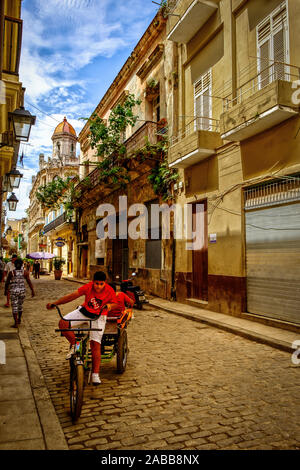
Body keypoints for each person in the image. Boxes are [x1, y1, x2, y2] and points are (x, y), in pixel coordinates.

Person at [46, 271, 118, 385]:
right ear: (93, 282)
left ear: (105, 283)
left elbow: (115, 303)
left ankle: (95, 374)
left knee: (95, 344)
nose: (98, 286)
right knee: (63, 323)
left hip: (99, 317)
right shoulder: (88, 287)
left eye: (101, 284)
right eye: (96, 283)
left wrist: (109, 306)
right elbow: (72, 296)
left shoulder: (109, 290)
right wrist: (55, 303)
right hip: (84, 312)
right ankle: (75, 344)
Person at [5, 258, 35, 328]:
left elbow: (7, 283)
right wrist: (32, 290)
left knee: (14, 306)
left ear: (14, 265)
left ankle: (16, 323)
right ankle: (19, 319)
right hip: (22, 291)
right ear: (22, 265)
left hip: (13, 291)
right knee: (20, 305)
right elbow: (29, 282)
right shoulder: (25, 272)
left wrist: (6, 291)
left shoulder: (11, 273)